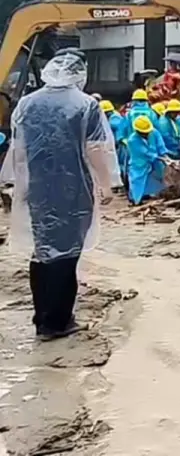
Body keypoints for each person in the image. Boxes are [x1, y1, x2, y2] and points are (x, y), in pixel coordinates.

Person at [0, 49, 120, 341]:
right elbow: (96, 148)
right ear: (79, 72)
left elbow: (19, 149)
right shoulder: (86, 105)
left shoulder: (27, 104)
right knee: (67, 255)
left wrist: (20, 185)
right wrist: (106, 185)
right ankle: (58, 322)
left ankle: (42, 318)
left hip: (39, 188)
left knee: (42, 252)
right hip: (73, 190)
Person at [125, 115, 169, 205]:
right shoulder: (132, 140)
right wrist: (160, 158)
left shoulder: (154, 132)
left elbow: (160, 145)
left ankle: (150, 194)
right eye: (143, 133)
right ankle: (135, 199)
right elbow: (144, 152)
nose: (146, 134)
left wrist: (165, 156)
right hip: (139, 163)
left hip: (156, 162)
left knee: (159, 177)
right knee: (137, 180)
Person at [100, 100, 126, 179]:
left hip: (120, 145)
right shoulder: (114, 117)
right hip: (116, 145)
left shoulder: (114, 119)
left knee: (119, 164)